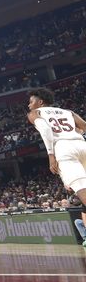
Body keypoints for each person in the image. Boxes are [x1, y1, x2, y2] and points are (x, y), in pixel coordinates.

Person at [26, 87, 86, 228]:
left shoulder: (35, 113)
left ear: (40, 102)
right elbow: (84, 126)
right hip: (81, 143)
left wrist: (51, 155)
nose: (29, 105)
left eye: (31, 102)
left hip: (63, 148)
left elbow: (46, 129)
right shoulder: (68, 112)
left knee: (82, 190)